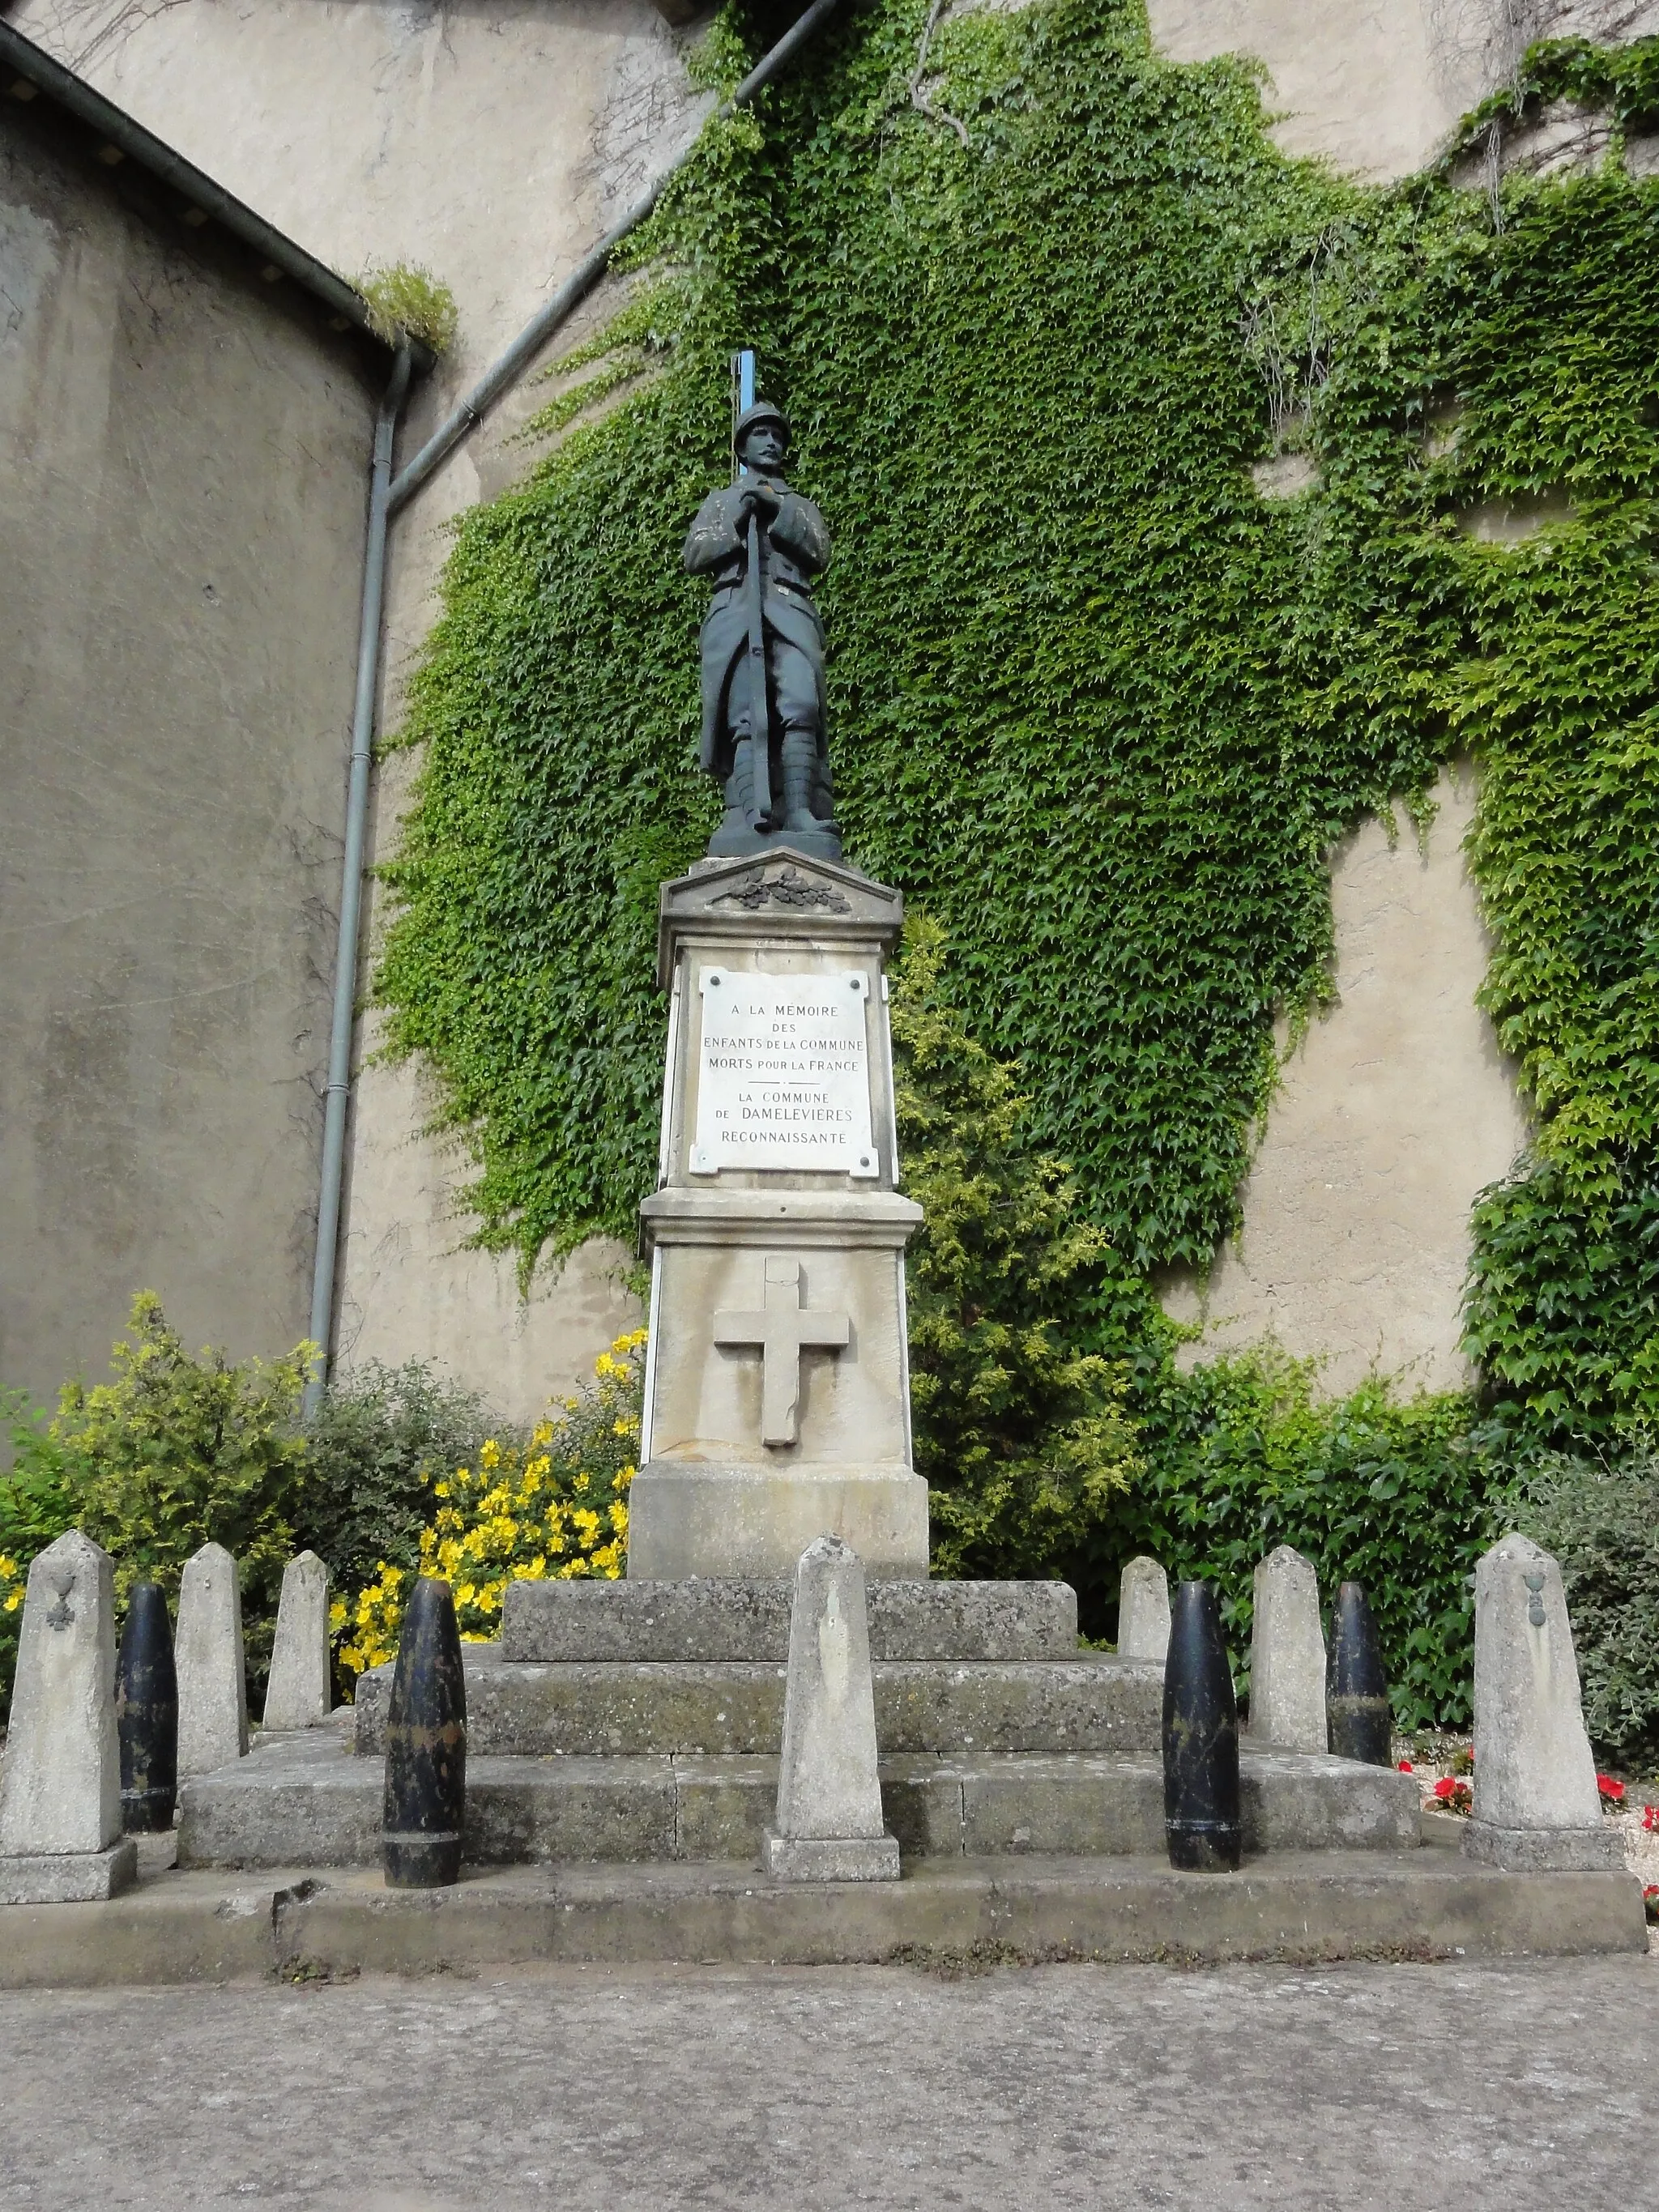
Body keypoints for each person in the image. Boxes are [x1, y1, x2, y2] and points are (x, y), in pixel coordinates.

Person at [683, 399, 838, 859]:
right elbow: (695, 555)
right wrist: (737, 518)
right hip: (735, 615)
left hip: (789, 612)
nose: (770, 442)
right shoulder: (719, 502)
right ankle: (751, 813)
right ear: (743, 446)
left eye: (777, 436)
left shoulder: (799, 505)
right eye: (760, 434)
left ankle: (800, 813)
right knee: (745, 716)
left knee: (801, 702)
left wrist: (776, 512)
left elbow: (819, 551)